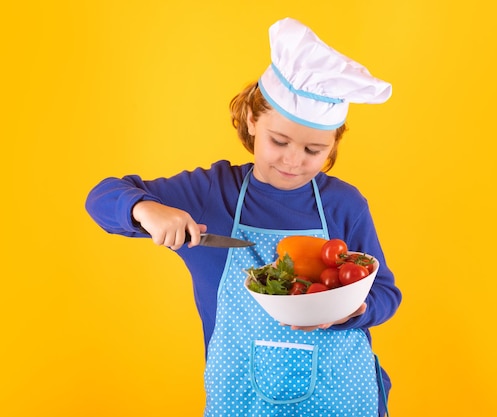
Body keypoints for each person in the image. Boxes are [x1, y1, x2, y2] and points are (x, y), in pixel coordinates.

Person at [85, 17, 402, 417]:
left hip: (342, 395)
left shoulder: (345, 204)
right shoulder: (211, 193)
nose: (293, 160)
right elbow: (102, 197)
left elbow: (386, 294)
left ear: (333, 143)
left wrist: (355, 310)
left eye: (313, 150)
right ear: (252, 121)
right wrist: (145, 210)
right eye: (279, 141)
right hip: (243, 399)